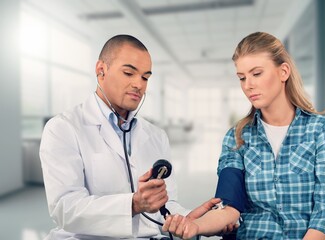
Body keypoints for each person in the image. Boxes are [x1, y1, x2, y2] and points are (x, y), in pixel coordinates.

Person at [162, 31, 325, 240]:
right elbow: (229, 208)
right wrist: (194, 226)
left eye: (256, 74)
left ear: (283, 72)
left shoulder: (321, 130)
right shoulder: (237, 137)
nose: (248, 85)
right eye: (242, 78)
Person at [39, 34, 221, 239]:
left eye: (145, 77)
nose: (139, 85)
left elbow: (164, 204)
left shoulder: (156, 135)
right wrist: (133, 204)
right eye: (129, 73)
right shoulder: (63, 128)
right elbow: (66, 209)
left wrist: (189, 218)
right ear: (101, 70)